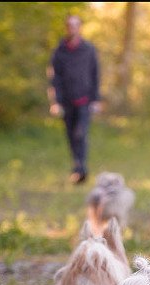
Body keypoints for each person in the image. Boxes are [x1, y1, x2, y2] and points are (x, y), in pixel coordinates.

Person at [48, 15, 103, 185]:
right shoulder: (59, 51)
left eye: (75, 25)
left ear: (80, 27)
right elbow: (54, 78)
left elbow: (95, 75)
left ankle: (81, 168)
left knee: (81, 133)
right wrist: (55, 102)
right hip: (66, 101)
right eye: (69, 25)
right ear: (66, 28)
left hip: (85, 100)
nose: (72, 28)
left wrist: (96, 99)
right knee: (71, 135)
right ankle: (77, 167)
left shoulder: (88, 49)